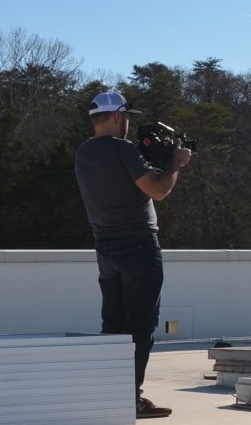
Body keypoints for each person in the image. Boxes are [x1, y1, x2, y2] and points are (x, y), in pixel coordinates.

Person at [75, 91, 191, 419]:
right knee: (140, 326)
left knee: (112, 325)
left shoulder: (84, 153)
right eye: (126, 117)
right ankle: (131, 398)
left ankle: (108, 393)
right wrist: (174, 163)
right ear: (115, 117)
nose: (128, 124)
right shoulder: (123, 149)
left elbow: (122, 181)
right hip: (138, 247)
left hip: (105, 248)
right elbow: (158, 189)